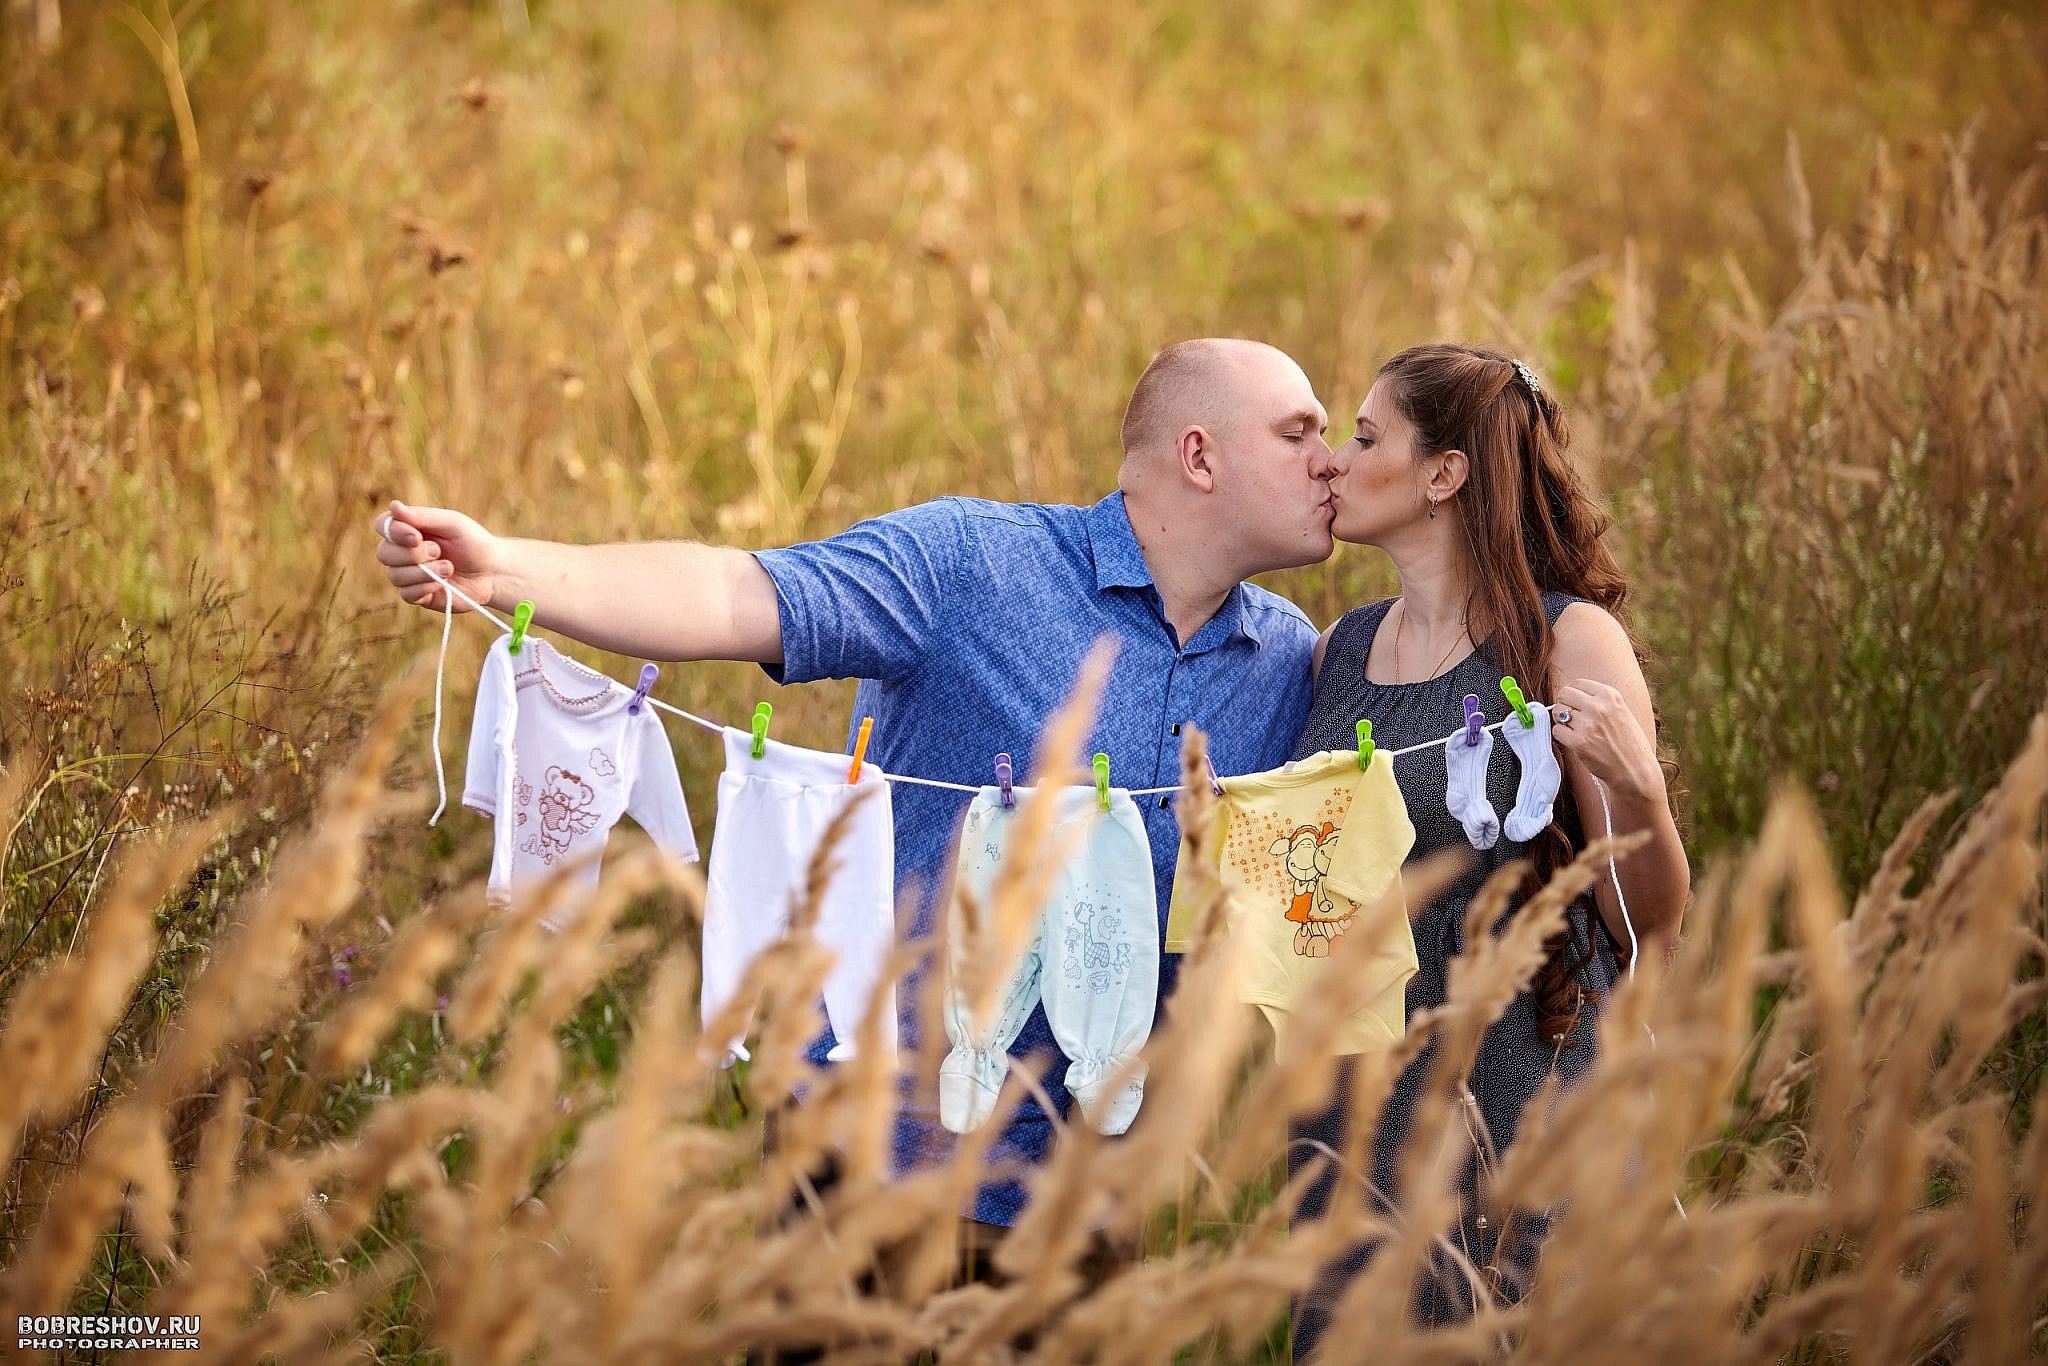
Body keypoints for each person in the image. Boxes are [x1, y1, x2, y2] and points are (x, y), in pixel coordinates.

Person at [373, 337, 1336, 1299]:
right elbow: (735, 591)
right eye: (1299, 433)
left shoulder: (1286, 660)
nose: (1327, 460)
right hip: (869, 1154)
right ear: (1200, 457)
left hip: (1079, 1192)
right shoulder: (974, 566)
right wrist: (504, 571)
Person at [1287, 343, 1690, 1356]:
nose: (1335, 459)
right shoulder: (1339, 649)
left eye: (1364, 435)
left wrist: (1640, 789)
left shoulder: (1566, 641)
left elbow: (1647, 921)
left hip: (1523, 1103)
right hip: (1356, 1122)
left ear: (1443, 473)